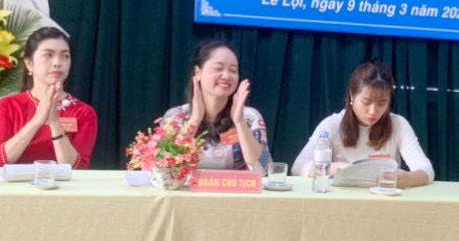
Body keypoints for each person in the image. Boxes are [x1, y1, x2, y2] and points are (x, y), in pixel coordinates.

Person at [292, 60, 434, 186]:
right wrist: (346, 168)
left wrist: (407, 178)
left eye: (382, 103)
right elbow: (299, 166)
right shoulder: (332, 125)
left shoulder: (398, 124)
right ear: (352, 97)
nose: (373, 111)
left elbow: (426, 170)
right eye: (366, 102)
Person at [0, 26, 98, 169]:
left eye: (65, 56)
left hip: (61, 184)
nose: (57, 63)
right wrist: (36, 121)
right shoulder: (8, 107)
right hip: (17, 184)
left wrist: (55, 124)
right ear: (29, 64)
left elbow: (78, 169)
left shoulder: (83, 112)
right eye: (48, 55)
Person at [163, 39, 270, 171]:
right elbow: (165, 168)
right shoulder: (176, 116)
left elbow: (263, 169)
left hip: (234, 185)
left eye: (233, 70)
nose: (226, 75)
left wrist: (240, 123)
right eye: (218, 68)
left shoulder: (249, 116)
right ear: (198, 73)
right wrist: (195, 120)